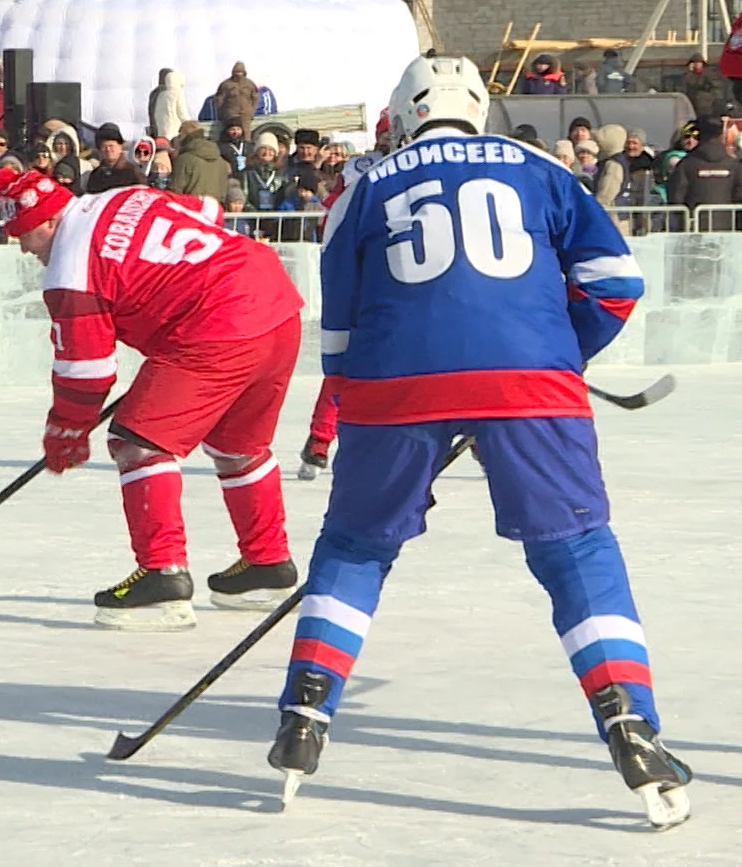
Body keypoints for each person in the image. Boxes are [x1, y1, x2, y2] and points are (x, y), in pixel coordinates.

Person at [273, 54, 689, 826]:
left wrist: (380, 410)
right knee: (577, 549)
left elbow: (336, 333)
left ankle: (304, 712)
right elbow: (617, 282)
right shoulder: (540, 166)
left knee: (357, 546)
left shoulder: (364, 184)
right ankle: (631, 723)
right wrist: (563, 348)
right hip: (531, 382)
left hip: (392, 383)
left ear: (405, 111)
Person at [0, 158, 304, 631]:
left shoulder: (70, 268)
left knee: (137, 443)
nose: (21, 247)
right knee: (237, 445)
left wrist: (67, 430)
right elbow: (209, 213)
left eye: (24, 233)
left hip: (216, 324)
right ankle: (267, 566)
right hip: (274, 301)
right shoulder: (122, 195)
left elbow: (87, 372)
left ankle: (162, 578)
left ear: (51, 220)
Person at [667, 115, 742, 227]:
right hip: (728, 230)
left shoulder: (687, 164)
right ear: (721, 134)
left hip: (695, 228)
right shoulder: (734, 165)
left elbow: (676, 196)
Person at [213, 62, 260, 128]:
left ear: (244, 72)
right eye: (237, 72)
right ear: (233, 72)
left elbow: (255, 97)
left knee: (245, 134)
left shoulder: (249, 83)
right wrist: (224, 113)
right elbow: (218, 99)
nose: (239, 74)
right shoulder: (226, 84)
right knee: (231, 133)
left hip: (245, 115)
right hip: (230, 115)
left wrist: (251, 111)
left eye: (241, 72)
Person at [680, 55, 727, 119]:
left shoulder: (709, 74)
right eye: (694, 63)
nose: (697, 64)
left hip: (707, 104)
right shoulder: (688, 76)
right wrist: (689, 72)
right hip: (692, 104)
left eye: (699, 62)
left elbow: (716, 88)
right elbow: (685, 87)